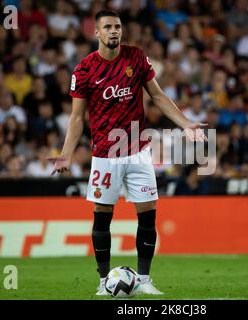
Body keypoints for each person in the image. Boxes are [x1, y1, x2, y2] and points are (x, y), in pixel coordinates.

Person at [47, 10, 207, 296]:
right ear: (96, 32)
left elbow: (157, 95)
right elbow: (76, 118)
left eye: (117, 26)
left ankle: (144, 280)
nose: (114, 31)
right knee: (102, 216)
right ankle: (102, 280)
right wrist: (66, 154)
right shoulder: (84, 70)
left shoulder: (135, 57)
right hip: (105, 155)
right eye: (107, 27)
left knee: (147, 215)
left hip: (138, 152)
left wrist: (185, 123)